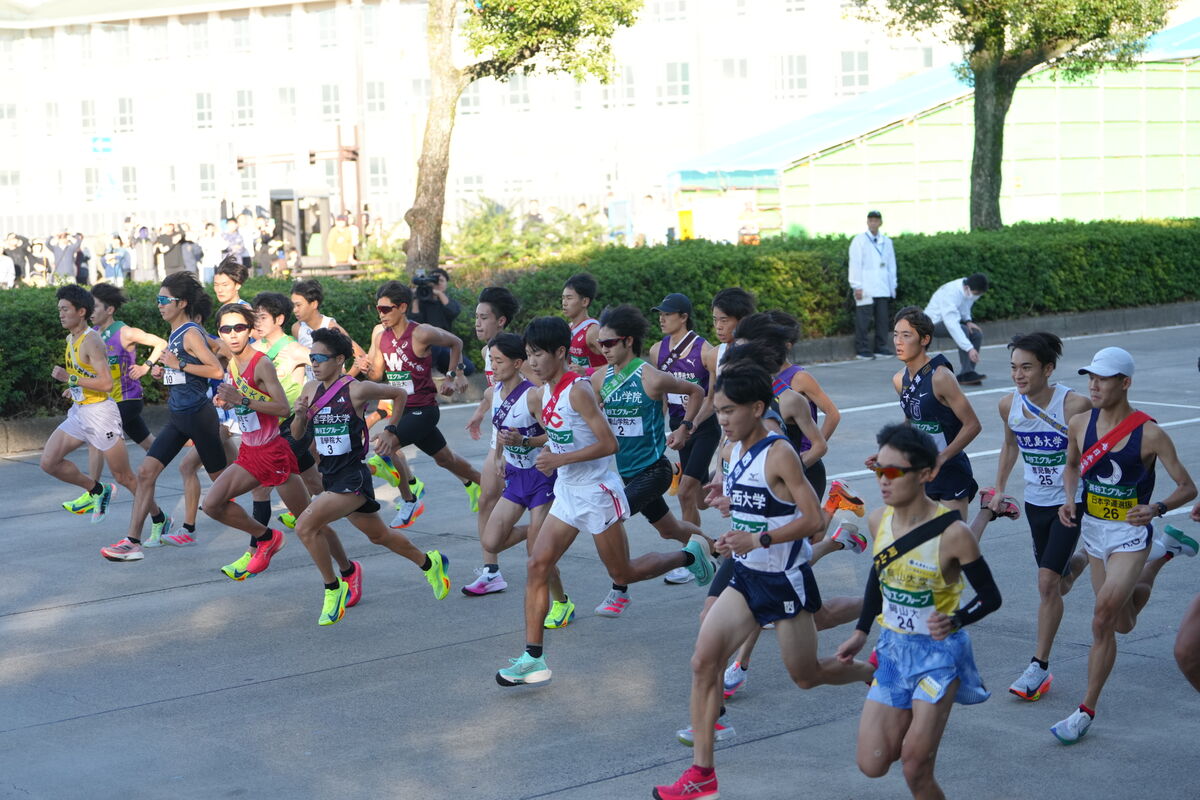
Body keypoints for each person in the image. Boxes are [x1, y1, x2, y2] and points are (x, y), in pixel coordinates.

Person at [652, 363, 873, 800]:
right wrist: (729, 500)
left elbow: (811, 522)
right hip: (748, 577)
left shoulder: (781, 452)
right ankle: (702, 774)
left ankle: (873, 673)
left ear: (757, 408)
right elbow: (760, 501)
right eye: (717, 411)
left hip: (784, 580)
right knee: (703, 662)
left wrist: (757, 536)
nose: (722, 420)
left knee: (807, 675)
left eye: (730, 411)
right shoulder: (733, 452)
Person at [495, 317, 714, 688]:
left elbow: (607, 444)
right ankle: (534, 658)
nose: (531, 362)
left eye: (538, 355)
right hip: (568, 491)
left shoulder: (578, 390)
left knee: (622, 574)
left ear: (560, 353)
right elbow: (564, 435)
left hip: (598, 491)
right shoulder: (545, 390)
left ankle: (690, 556)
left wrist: (558, 460)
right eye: (529, 355)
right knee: (537, 564)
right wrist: (526, 442)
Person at [835, 423, 1001, 800]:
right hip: (893, 651)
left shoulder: (954, 533)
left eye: (894, 471)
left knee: (915, 767)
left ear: (927, 474)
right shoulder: (878, 520)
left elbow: (990, 596)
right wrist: (862, 631)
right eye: (879, 468)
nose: (883, 479)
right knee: (872, 763)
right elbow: (879, 575)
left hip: (938, 658)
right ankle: (907, 716)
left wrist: (956, 619)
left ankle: (919, 728)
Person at [1051, 346, 1197, 743]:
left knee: (1101, 618)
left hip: (1130, 535)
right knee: (1123, 623)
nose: (1093, 384)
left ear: (1125, 383)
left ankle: (1085, 710)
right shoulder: (1080, 423)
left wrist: (1157, 507)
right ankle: (1165, 554)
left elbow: (1188, 487)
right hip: (1094, 530)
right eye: (1090, 377)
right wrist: (1068, 499)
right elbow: (1070, 465)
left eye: (1103, 378)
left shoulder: (1150, 433)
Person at [291, 328, 452, 624]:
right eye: (310, 357)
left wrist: (391, 430)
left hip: (352, 478)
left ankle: (333, 588)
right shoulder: (309, 390)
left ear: (339, 359)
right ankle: (431, 563)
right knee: (380, 536)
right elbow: (298, 435)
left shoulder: (356, 389)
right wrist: (300, 415)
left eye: (319, 358)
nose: (313, 363)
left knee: (305, 526)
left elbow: (399, 394)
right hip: (330, 475)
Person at [989, 332, 1092, 701]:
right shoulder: (1008, 406)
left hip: (1072, 501)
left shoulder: (1075, 404)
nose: (1019, 375)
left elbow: (1094, 451)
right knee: (1059, 583)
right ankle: (1077, 564)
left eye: (1027, 367)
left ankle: (1039, 667)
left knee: (1046, 583)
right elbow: (1010, 444)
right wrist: (999, 488)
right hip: (1036, 504)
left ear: (1048, 369)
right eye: (1014, 367)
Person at [590, 304, 711, 617]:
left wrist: (686, 426)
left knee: (609, 516)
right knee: (670, 529)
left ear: (628, 341)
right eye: (600, 344)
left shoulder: (652, 378)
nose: (603, 350)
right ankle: (721, 549)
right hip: (627, 472)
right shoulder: (600, 379)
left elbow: (697, 391)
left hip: (655, 470)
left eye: (609, 343)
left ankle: (620, 590)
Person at [101, 272, 227, 561]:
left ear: (181, 303)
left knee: (223, 487)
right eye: (158, 300)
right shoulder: (176, 333)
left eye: (163, 300)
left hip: (198, 415)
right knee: (146, 472)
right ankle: (132, 542)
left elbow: (216, 369)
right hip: (179, 417)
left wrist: (178, 363)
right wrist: (166, 373)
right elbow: (187, 371)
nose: (159, 305)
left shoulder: (192, 332)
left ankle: (262, 535)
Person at [40, 286, 158, 530]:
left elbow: (105, 384)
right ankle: (97, 490)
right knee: (49, 462)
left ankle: (159, 518)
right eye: (59, 310)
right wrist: (74, 389)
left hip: (101, 414)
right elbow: (86, 375)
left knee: (124, 477)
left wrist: (70, 379)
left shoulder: (92, 340)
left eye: (65, 309)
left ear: (81, 311)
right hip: (80, 411)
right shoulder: (70, 338)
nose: (60, 314)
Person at [476, 332, 570, 620]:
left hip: (542, 477)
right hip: (516, 477)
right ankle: (535, 531)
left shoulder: (533, 396)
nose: (493, 366)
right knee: (491, 542)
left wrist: (526, 442)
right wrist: (500, 457)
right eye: (491, 360)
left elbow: (555, 436)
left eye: (499, 360)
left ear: (518, 363)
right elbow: (502, 431)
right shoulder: (492, 394)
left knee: (537, 553)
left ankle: (561, 603)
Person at [367, 280, 482, 512]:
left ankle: (410, 500)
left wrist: (451, 376)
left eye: (386, 309)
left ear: (402, 307)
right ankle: (482, 485)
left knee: (384, 447)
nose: (381, 314)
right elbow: (377, 373)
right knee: (445, 459)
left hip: (424, 410)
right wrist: (364, 366)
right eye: (378, 309)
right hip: (403, 410)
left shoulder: (421, 333)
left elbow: (455, 343)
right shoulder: (381, 336)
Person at [892, 306, 1003, 537]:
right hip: (921, 472)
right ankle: (986, 508)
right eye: (895, 334)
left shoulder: (941, 376)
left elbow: (973, 425)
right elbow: (912, 421)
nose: (898, 341)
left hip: (950, 469)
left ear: (924, 339)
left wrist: (941, 458)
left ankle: (986, 511)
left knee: (953, 549)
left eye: (906, 335)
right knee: (920, 544)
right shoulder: (898, 380)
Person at [462, 286, 529, 595]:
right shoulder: (486, 352)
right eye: (476, 317)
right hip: (497, 440)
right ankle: (491, 571)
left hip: (526, 441)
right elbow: (495, 391)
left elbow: (535, 393)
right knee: (486, 500)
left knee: (531, 504)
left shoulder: (519, 355)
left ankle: (540, 533)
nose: (477, 323)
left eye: (484, 317)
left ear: (501, 321)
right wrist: (479, 412)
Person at [649, 293, 719, 536]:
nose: (662, 319)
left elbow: (712, 399)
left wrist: (691, 425)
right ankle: (723, 478)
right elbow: (661, 397)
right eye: (660, 314)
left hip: (703, 427)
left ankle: (694, 554)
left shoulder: (706, 351)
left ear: (684, 317)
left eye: (667, 314)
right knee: (699, 499)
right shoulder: (657, 351)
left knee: (685, 492)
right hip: (680, 427)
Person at [848, 210, 897, 360]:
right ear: (867, 222)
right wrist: (856, 286)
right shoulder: (859, 240)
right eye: (871, 220)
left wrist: (893, 285)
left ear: (880, 222)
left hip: (882, 286)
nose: (873, 223)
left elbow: (891, 265)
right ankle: (862, 349)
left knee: (882, 319)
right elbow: (855, 264)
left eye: (876, 220)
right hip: (865, 286)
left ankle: (881, 347)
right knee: (863, 320)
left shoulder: (887, 241)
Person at [923, 273, 989, 385]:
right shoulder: (951, 292)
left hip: (950, 320)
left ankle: (968, 372)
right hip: (933, 323)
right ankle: (966, 373)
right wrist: (969, 348)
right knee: (963, 330)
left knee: (976, 333)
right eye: (976, 293)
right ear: (967, 288)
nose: (976, 296)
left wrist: (968, 321)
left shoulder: (967, 289)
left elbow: (965, 306)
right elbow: (952, 324)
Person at [411, 268, 474, 376]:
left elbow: (453, 311)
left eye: (440, 281)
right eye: (433, 281)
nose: (436, 283)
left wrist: (439, 293)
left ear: (446, 284)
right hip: (424, 347)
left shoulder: (447, 302)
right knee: (433, 339)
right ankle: (430, 370)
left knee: (468, 368)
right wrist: (415, 299)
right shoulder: (421, 302)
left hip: (445, 347)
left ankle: (441, 369)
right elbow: (414, 323)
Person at [561, 272, 607, 372]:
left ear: (585, 302)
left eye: (569, 298)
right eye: (563, 298)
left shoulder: (593, 331)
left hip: (599, 386)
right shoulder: (569, 328)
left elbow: (618, 364)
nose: (564, 303)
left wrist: (587, 371)